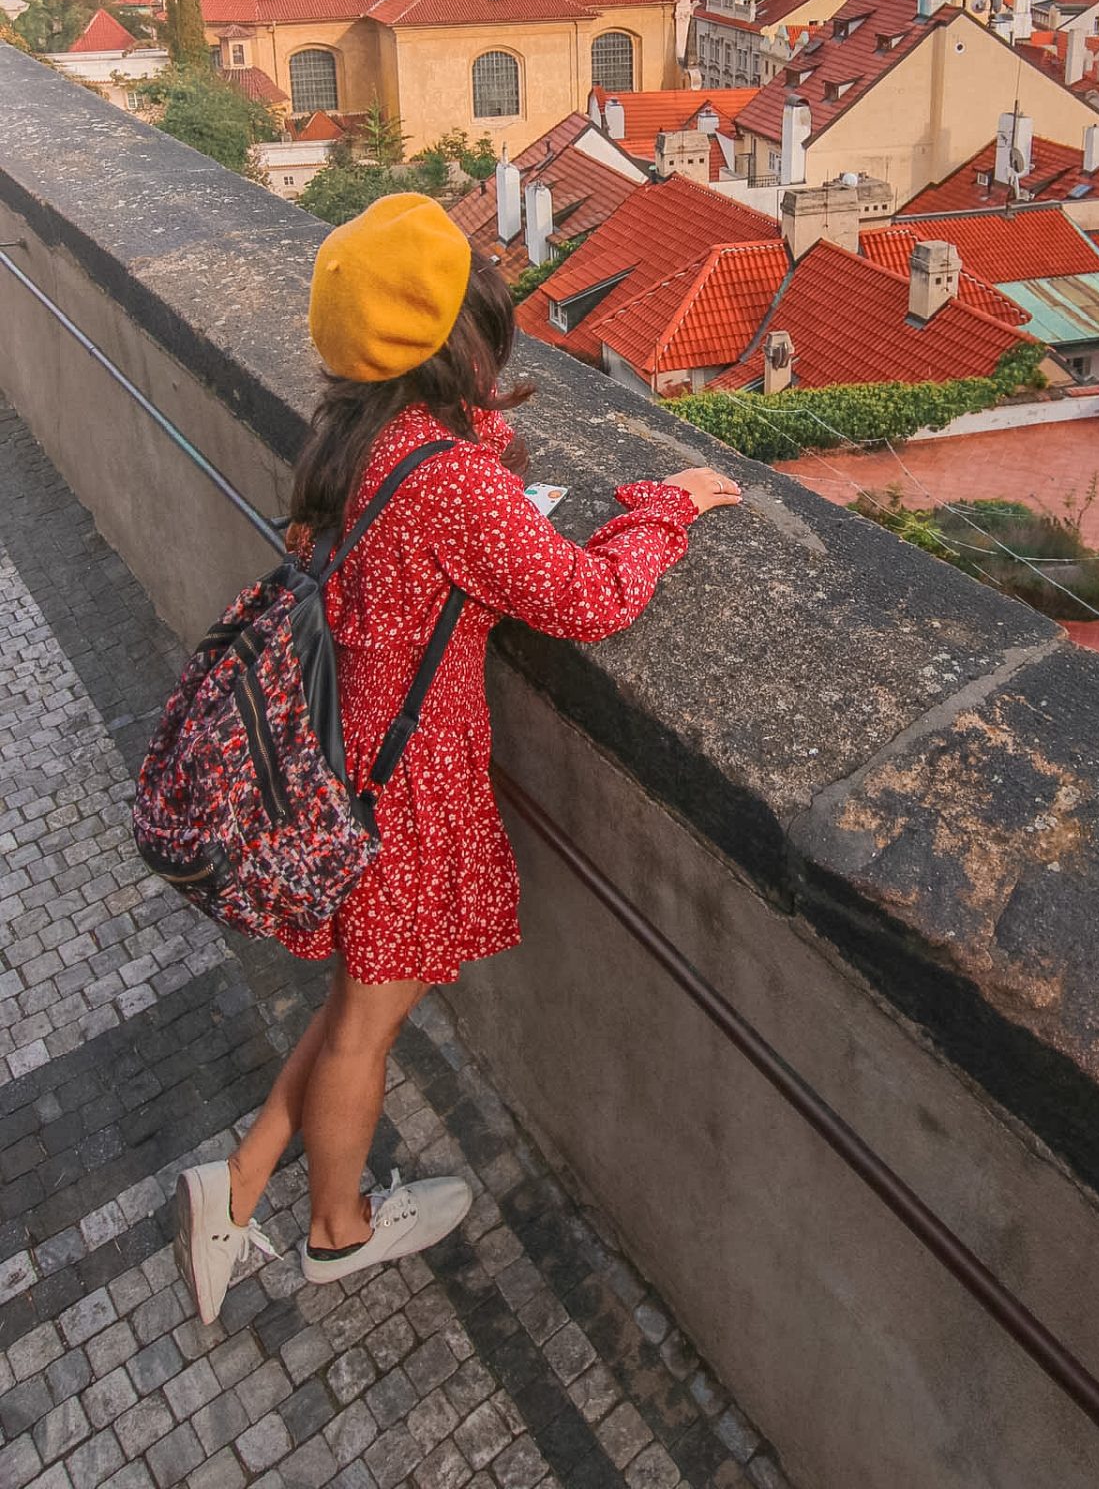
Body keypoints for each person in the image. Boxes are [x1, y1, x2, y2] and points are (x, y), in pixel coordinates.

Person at [173, 194, 739, 1323]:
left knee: (361, 1007)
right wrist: (663, 509)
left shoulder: (354, 429)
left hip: (351, 775)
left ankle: (233, 1185)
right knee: (369, 1025)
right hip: (404, 797)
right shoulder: (452, 479)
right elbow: (586, 598)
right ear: (462, 342)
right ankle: (335, 1233)